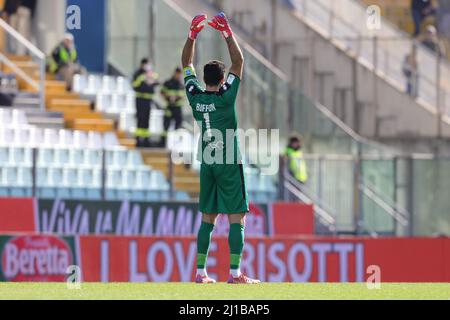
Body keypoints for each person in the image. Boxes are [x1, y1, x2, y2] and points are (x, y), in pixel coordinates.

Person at [182, 13, 260, 284]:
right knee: (237, 219)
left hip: (207, 162)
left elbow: (186, 64)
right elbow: (239, 61)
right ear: (221, 78)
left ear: (204, 78)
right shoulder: (226, 98)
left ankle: (200, 273)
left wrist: (192, 35)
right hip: (227, 160)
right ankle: (235, 274)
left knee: (207, 219)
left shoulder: (195, 97)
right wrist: (226, 31)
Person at [132, 58, 159, 148]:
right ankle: (138, 140)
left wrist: (151, 77)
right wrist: (143, 77)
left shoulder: (151, 73)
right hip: (140, 99)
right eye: (146, 64)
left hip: (148, 100)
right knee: (140, 119)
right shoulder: (138, 74)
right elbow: (134, 85)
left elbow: (157, 80)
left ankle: (146, 140)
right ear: (142, 65)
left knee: (147, 119)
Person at [160, 67, 185, 148]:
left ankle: (176, 144)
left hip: (178, 108)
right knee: (165, 126)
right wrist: (169, 97)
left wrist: (176, 97)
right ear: (175, 73)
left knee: (178, 126)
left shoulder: (181, 84)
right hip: (169, 107)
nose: (179, 76)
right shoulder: (168, 83)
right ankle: (163, 143)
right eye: (178, 74)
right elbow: (162, 92)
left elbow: (183, 95)